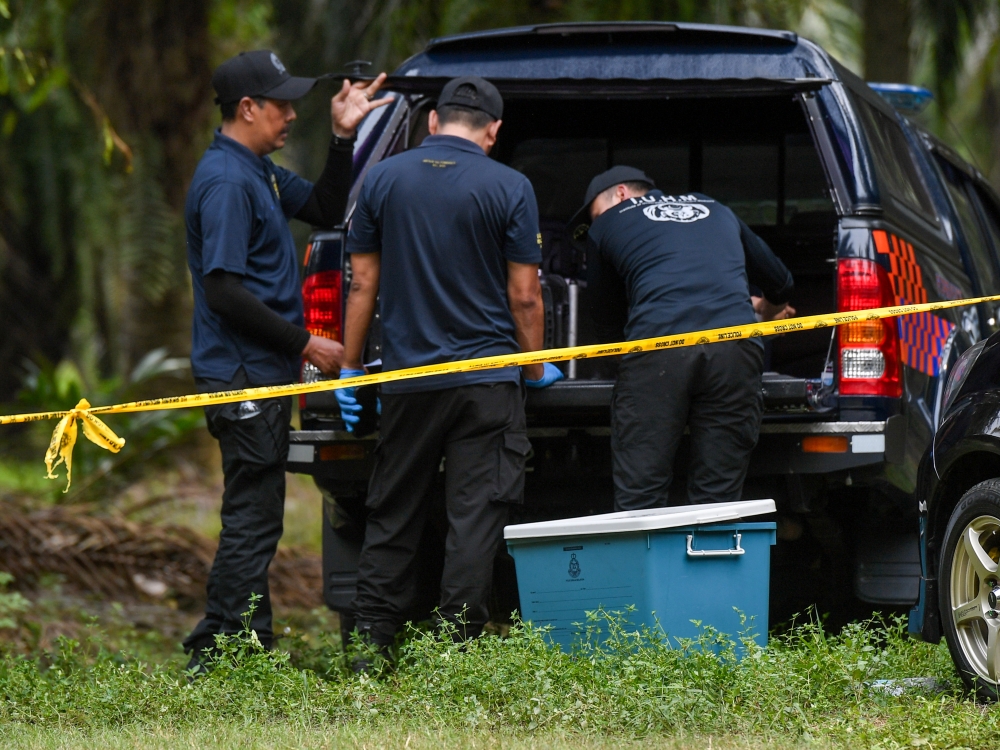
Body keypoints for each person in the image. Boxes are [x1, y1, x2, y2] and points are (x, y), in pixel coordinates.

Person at [337, 76, 563, 656]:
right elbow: (526, 297)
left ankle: (371, 647)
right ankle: (454, 652)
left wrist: (351, 367)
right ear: (493, 131)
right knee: (474, 517)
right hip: (486, 384)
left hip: (408, 381)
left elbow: (361, 281)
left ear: (432, 123)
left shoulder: (382, 178)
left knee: (393, 510)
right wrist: (535, 370)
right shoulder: (510, 185)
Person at [182, 49, 389, 672]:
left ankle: (221, 648)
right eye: (281, 104)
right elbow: (223, 289)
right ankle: (239, 654)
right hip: (241, 375)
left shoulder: (261, 172)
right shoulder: (225, 181)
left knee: (254, 513)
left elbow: (327, 208)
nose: (292, 114)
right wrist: (305, 344)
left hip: (259, 373)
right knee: (253, 517)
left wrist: (342, 136)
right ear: (247, 108)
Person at [571, 166, 795, 511]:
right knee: (717, 497)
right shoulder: (715, 208)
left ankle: (647, 565)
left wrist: (637, 374)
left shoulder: (607, 226)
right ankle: (710, 562)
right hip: (735, 348)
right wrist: (763, 312)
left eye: (596, 214)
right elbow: (781, 283)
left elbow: (606, 325)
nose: (596, 223)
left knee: (640, 497)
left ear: (620, 194)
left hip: (656, 348)